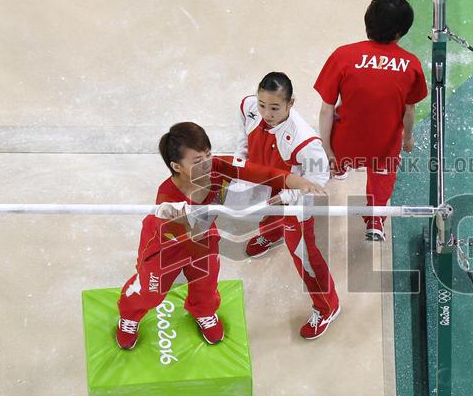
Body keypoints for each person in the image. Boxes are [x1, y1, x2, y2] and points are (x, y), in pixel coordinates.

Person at [115, 122, 326, 349]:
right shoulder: (167, 196)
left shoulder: (218, 166)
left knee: (206, 285)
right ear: (177, 166)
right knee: (150, 292)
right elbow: (188, 236)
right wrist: (181, 219)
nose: (207, 163)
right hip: (167, 245)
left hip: (204, 237)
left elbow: (264, 173)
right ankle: (129, 316)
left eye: (208, 154)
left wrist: (300, 182)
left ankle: (203, 312)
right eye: (197, 161)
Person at [314, 0, 428, 241]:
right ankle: (375, 221)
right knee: (382, 178)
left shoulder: (342, 56)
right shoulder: (411, 65)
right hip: (383, 146)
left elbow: (326, 109)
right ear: (400, 32)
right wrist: (408, 139)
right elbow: (409, 110)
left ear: (367, 24)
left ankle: (339, 168)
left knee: (336, 159)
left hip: (345, 143)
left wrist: (328, 149)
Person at [235, 72, 341, 339]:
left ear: (291, 103)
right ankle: (271, 235)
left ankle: (327, 306)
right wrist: (241, 157)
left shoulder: (305, 140)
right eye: (262, 105)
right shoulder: (249, 107)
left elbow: (317, 180)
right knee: (265, 215)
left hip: (295, 201)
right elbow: (244, 135)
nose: (266, 113)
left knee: (304, 255)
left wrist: (287, 198)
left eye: (274, 108)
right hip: (267, 183)